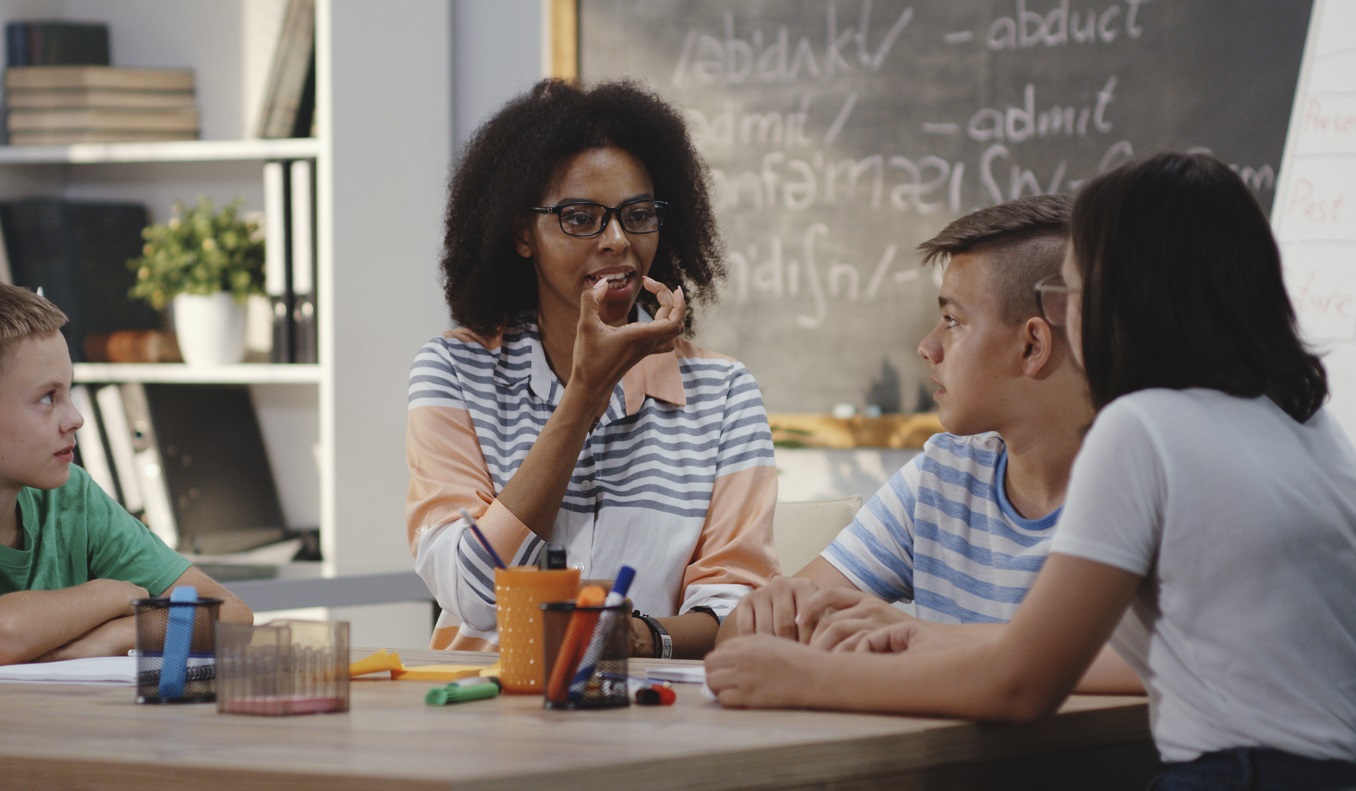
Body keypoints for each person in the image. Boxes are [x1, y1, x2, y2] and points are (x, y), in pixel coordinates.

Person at [707, 152, 1356, 789]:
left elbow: (1023, 684)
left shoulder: (1142, 428)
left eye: (1073, 292)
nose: (1071, 319)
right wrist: (920, 634)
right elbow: (1131, 656)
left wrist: (801, 678)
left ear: (1127, 297)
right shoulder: (1303, 425)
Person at [406, 78, 779, 659]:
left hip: (649, 714)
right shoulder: (454, 370)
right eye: (581, 217)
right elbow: (475, 595)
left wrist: (641, 637)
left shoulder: (724, 393)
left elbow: (736, 609)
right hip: (485, 715)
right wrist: (583, 397)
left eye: (637, 215)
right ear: (521, 234)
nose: (616, 240)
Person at [716, 194, 1139, 693]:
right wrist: (766, 613)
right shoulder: (942, 477)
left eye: (953, 320)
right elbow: (738, 636)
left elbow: (1152, 662)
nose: (927, 346)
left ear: (1031, 345)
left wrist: (918, 635)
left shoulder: (1140, 485)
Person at [0, 277, 251, 675]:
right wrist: (113, 594)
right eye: (48, 398)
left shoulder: (70, 497)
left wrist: (119, 634)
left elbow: (229, 614)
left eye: (69, 392)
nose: (75, 418)